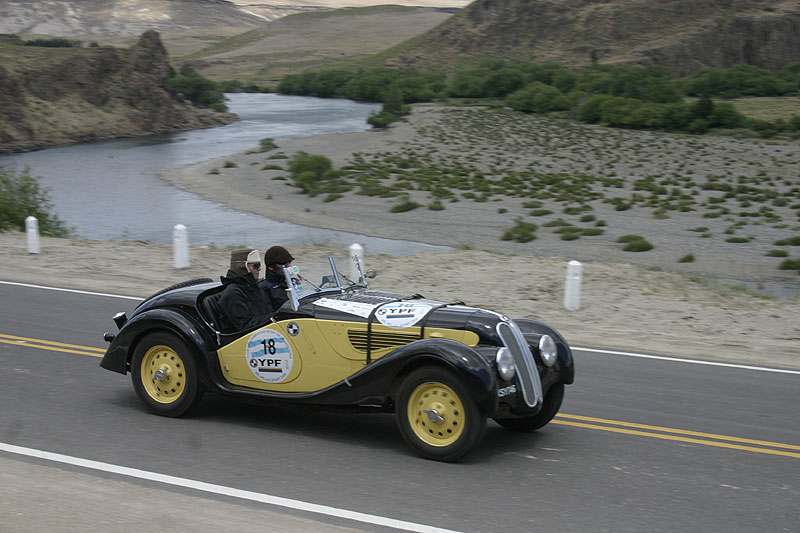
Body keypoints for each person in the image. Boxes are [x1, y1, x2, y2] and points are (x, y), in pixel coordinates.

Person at [218, 248, 274, 331]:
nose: (259, 269)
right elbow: (245, 325)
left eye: (259, 265)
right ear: (243, 267)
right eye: (256, 265)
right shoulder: (233, 293)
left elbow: (267, 312)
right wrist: (274, 318)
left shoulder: (255, 287)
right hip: (243, 339)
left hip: (264, 332)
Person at [260, 245, 295, 311]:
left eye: (289, 262)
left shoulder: (293, 282)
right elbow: (268, 316)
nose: (288, 265)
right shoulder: (264, 289)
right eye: (283, 263)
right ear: (271, 267)